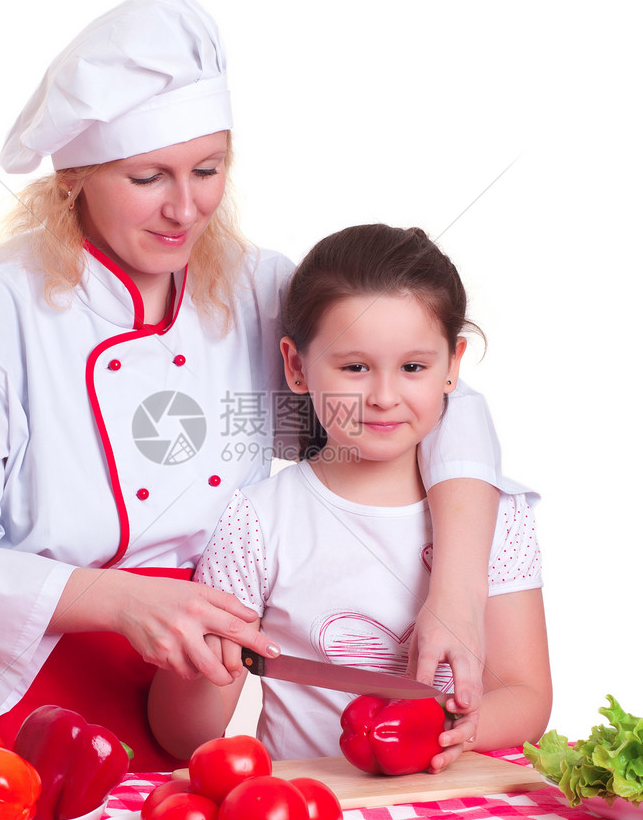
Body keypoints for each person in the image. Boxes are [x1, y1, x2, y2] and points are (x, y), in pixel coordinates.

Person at [0, 0, 523, 770]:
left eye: (207, 170)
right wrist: (119, 599)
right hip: (8, 700)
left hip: (193, 689)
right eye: (148, 177)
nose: (186, 208)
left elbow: (438, 406)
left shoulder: (258, 288)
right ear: (72, 177)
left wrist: (454, 597)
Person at [148, 224, 551, 768]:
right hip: (316, 813)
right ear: (296, 366)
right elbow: (187, 736)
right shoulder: (259, 519)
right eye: (354, 367)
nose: (384, 397)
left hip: (455, 808)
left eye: (413, 367)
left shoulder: (497, 517)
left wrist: (456, 731)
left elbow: (527, 694)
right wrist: (197, 669)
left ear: (453, 365)